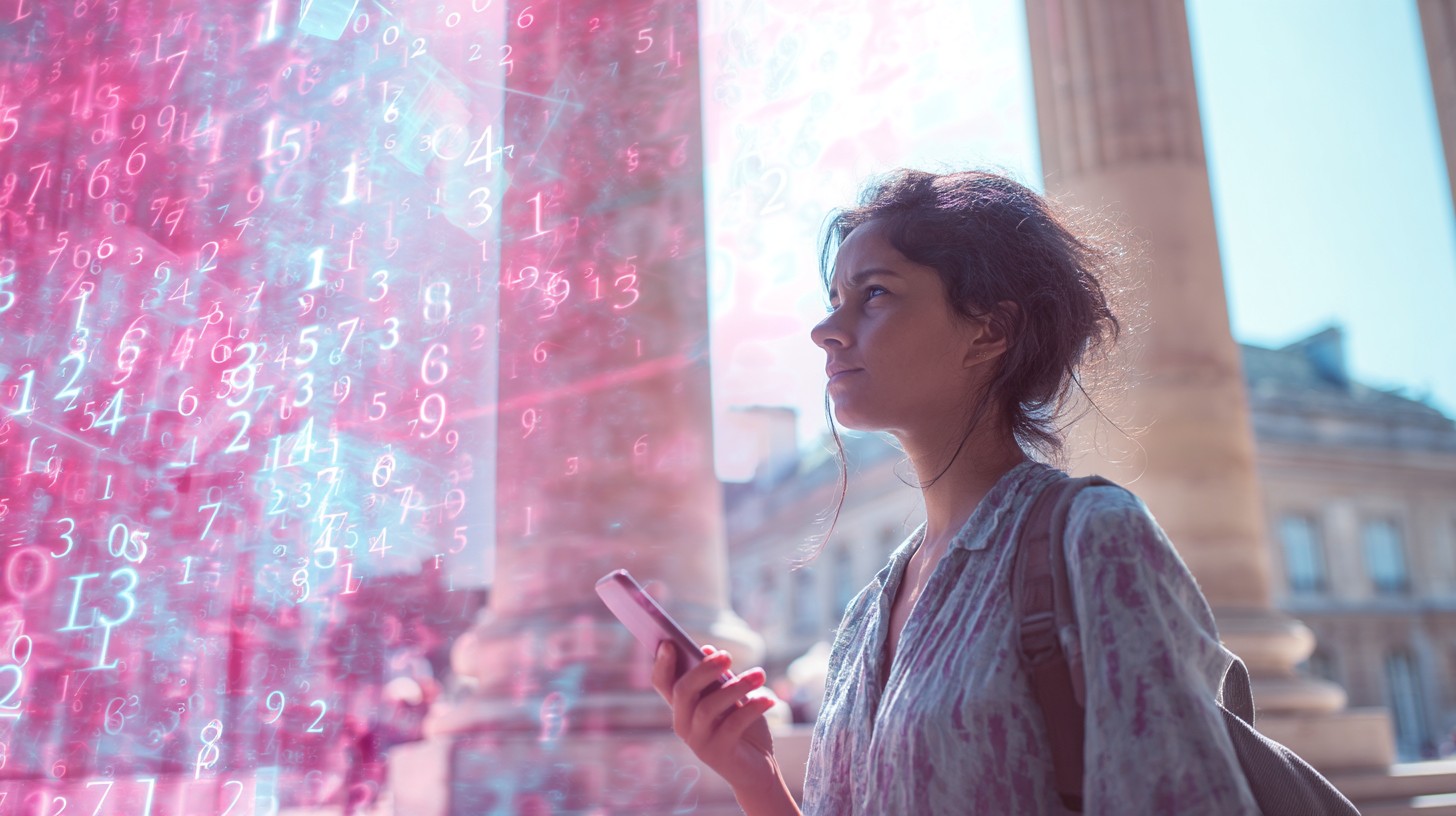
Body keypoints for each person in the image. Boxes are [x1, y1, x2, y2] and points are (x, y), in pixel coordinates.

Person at [650, 168, 1262, 814]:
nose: (825, 329)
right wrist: (754, 775)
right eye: (833, 298)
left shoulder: (1095, 538)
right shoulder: (865, 616)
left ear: (990, 332)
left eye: (875, 294)